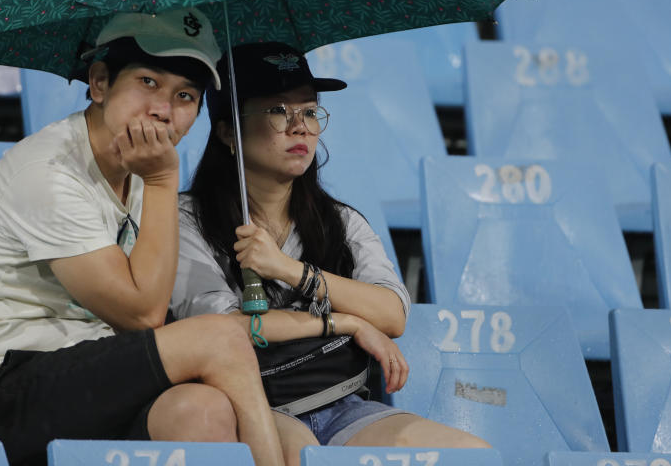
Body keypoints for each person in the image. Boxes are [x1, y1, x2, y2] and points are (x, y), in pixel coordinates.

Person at [0, 8, 285, 466]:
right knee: (218, 340)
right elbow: (142, 314)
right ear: (98, 83)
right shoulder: (49, 173)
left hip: (90, 374)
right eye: (148, 82)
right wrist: (162, 183)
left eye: (185, 95)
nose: (164, 109)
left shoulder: (139, 170)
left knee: (200, 411)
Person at [172, 42, 491, 465]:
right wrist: (341, 321)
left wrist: (292, 271)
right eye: (277, 111)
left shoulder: (340, 221)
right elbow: (222, 329)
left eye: (308, 112)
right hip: (247, 402)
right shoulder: (185, 219)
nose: (299, 127)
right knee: (301, 455)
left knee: (473, 455)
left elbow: (392, 313)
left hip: (342, 405)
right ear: (228, 130)